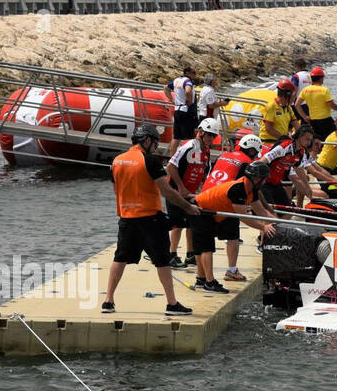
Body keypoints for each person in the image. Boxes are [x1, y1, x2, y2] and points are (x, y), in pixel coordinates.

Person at [102, 124, 198, 315]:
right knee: (162, 261)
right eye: (155, 143)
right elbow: (167, 192)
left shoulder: (117, 161)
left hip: (127, 218)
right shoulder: (150, 161)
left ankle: (108, 301)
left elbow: (117, 190)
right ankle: (172, 304)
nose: (155, 147)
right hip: (150, 219)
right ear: (147, 141)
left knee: (120, 258)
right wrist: (188, 207)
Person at [192, 160, 279, 287]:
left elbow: (262, 212)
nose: (265, 182)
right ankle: (209, 282)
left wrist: (278, 223)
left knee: (207, 247)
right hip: (201, 210)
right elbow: (244, 218)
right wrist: (263, 227)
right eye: (264, 179)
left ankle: (201, 279)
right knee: (206, 248)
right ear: (256, 178)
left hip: (216, 212)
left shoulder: (251, 189)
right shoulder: (238, 189)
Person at [165, 116, 220, 270]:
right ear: (201, 132)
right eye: (209, 135)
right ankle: (172, 254)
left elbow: (205, 174)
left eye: (213, 136)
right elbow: (170, 166)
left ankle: (190, 254)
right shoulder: (187, 146)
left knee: (192, 222)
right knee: (177, 224)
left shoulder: (206, 151)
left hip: (191, 193)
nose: (211, 138)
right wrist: (181, 187)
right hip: (175, 191)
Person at [298, 67, 337, 140]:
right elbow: (333, 106)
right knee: (335, 138)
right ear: (321, 78)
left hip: (313, 121)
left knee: (318, 141)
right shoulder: (324, 90)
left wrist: (305, 117)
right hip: (326, 121)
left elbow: (297, 104)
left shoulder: (305, 90)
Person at [260, 79, 300, 145]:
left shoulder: (288, 108)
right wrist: (285, 138)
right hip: (269, 142)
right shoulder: (271, 106)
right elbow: (269, 128)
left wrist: (304, 134)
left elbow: (296, 124)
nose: (294, 98)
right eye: (293, 95)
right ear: (287, 95)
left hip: (281, 141)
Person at [171, 67, 197, 140]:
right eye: (193, 73)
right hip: (186, 111)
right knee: (188, 137)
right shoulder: (188, 81)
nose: (195, 75)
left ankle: (173, 152)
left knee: (176, 137)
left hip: (177, 110)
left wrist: (172, 100)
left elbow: (166, 88)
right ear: (187, 73)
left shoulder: (177, 80)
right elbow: (188, 91)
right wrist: (189, 101)